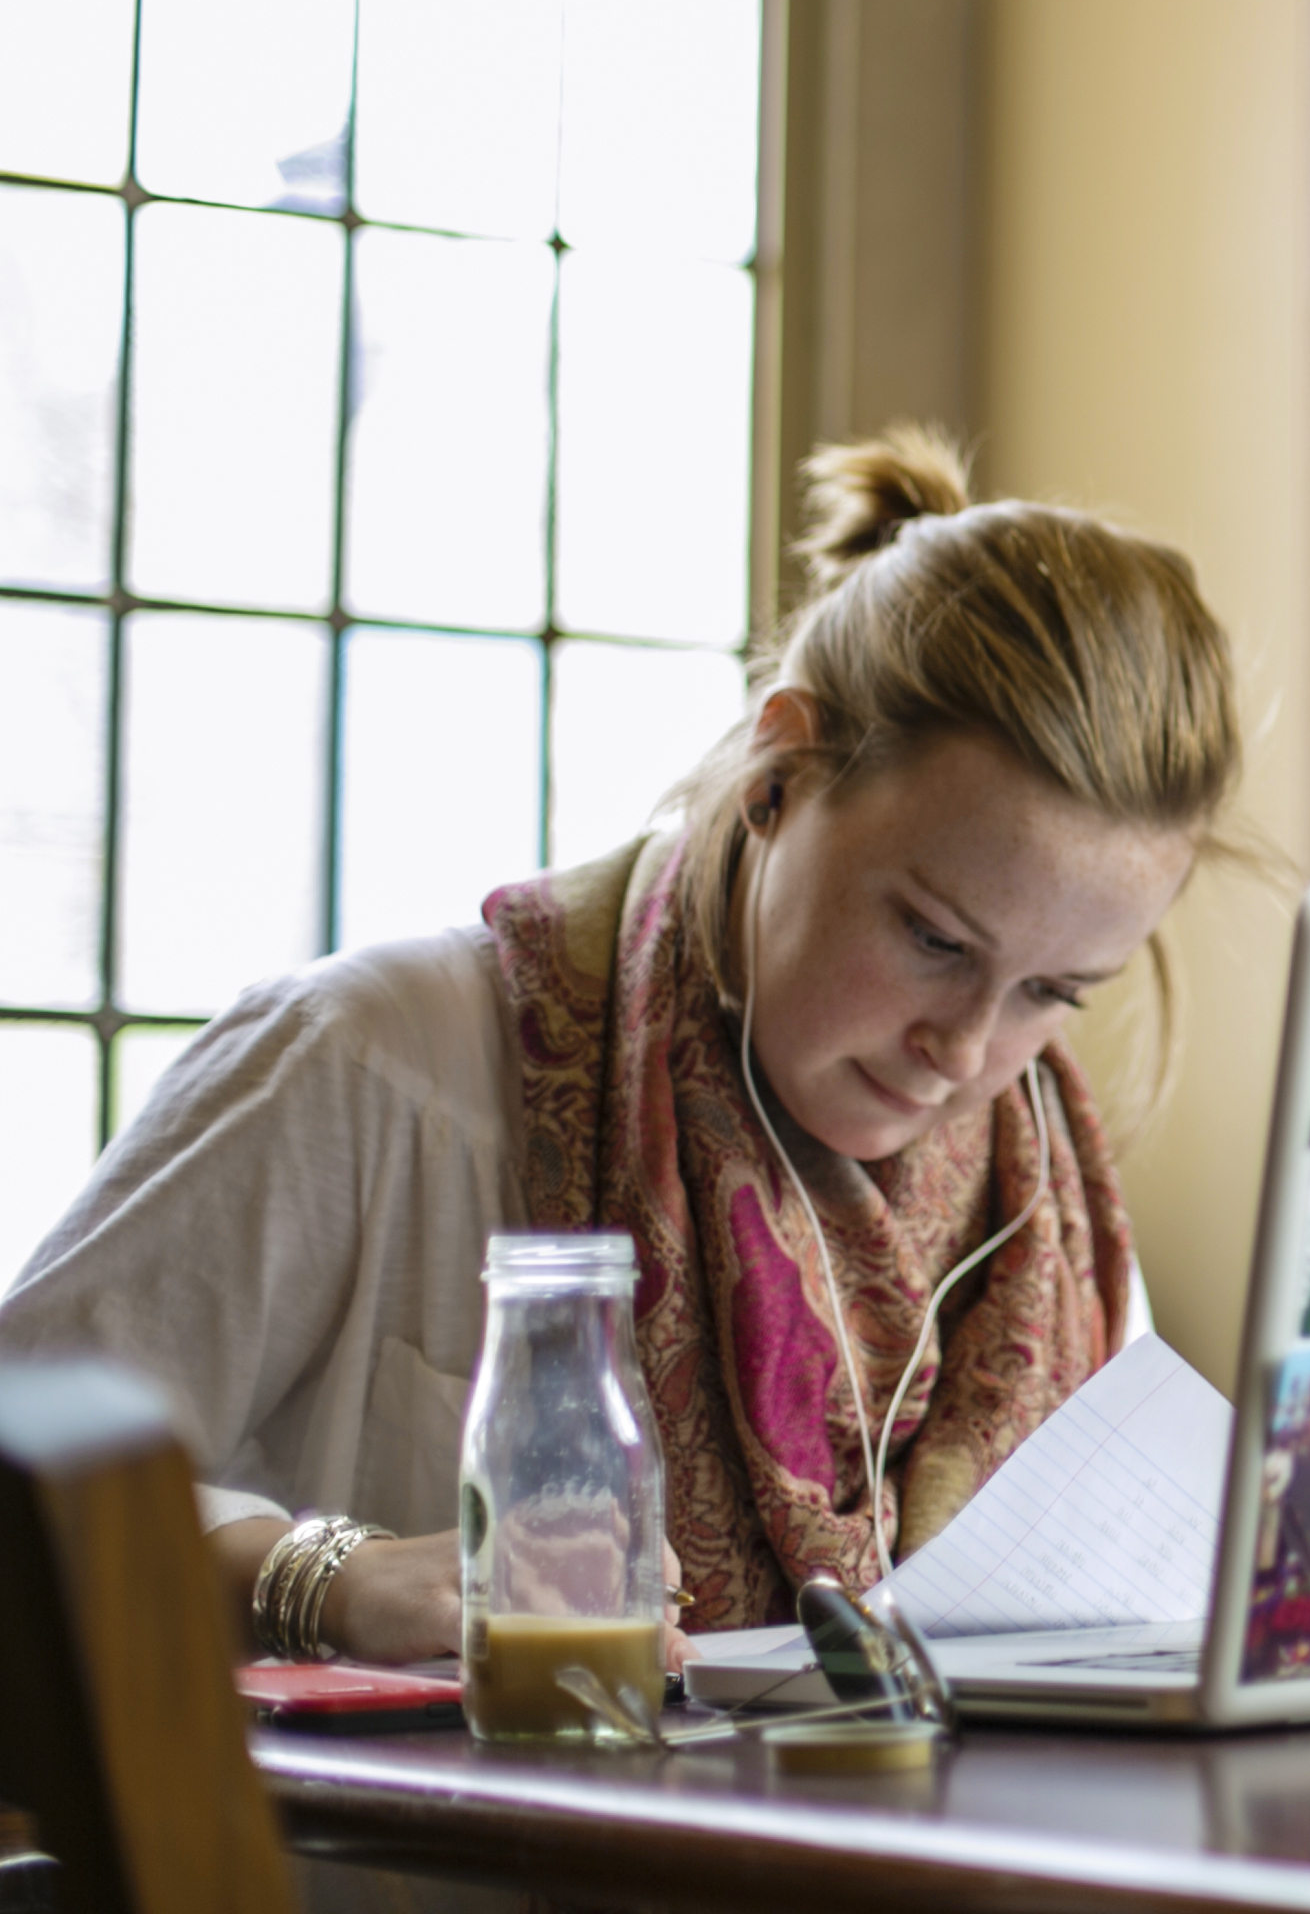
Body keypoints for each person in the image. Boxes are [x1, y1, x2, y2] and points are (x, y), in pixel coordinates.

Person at [0, 429, 1245, 1662]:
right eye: (931, 938)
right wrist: (320, 1578)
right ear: (779, 777)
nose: (968, 1051)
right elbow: (19, 1466)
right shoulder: (380, 1066)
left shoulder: (1049, 1220)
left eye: (1053, 994)